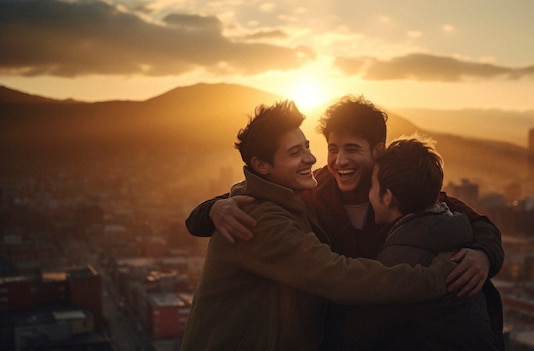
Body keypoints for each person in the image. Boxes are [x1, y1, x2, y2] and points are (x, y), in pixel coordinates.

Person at [185, 96, 504, 347]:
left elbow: (474, 223)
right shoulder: (311, 191)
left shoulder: (403, 192)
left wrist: (484, 255)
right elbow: (259, 202)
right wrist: (213, 208)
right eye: (332, 149)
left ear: (378, 152)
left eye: (351, 149)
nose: (337, 161)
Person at [331, 136, 498, 350]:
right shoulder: (455, 230)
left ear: (388, 197)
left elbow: (356, 335)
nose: (369, 194)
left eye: (372, 185)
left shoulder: (400, 261)